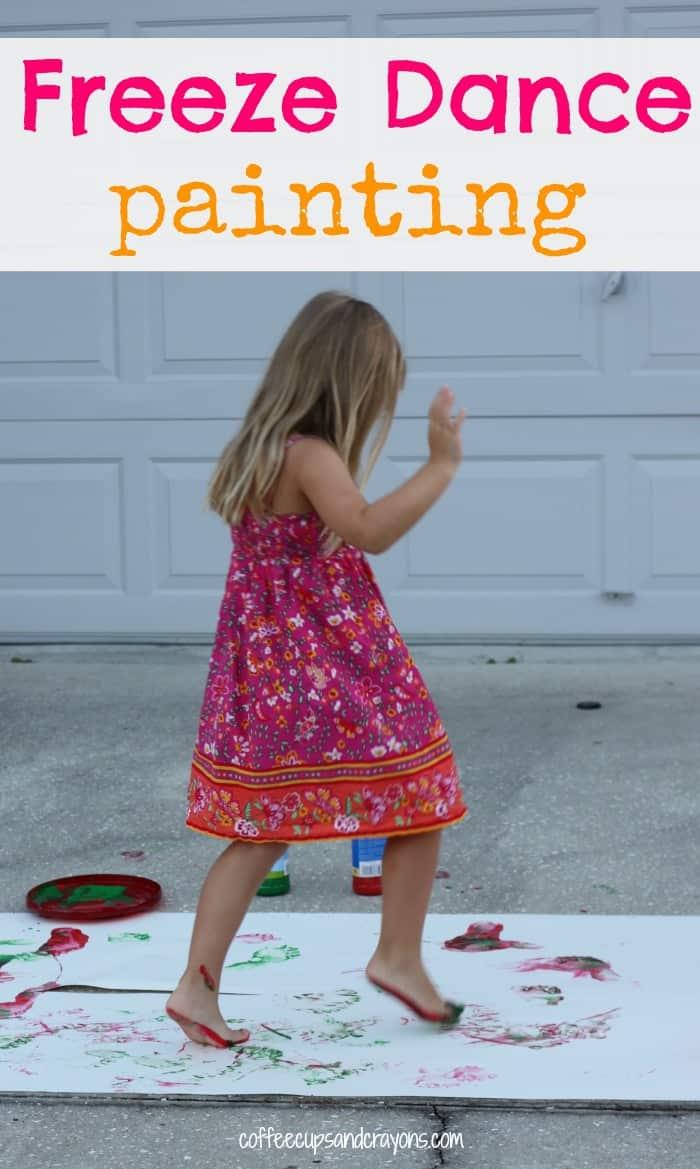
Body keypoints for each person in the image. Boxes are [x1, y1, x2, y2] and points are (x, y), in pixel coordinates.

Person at [166, 290, 469, 1049]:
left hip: (269, 671)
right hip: (327, 665)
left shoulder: (259, 446)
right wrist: (441, 465)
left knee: (262, 830)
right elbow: (368, 530)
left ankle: (195, 987)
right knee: (423, 788)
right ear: (347, 383)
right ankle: (398, 954)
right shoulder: (310, 453)